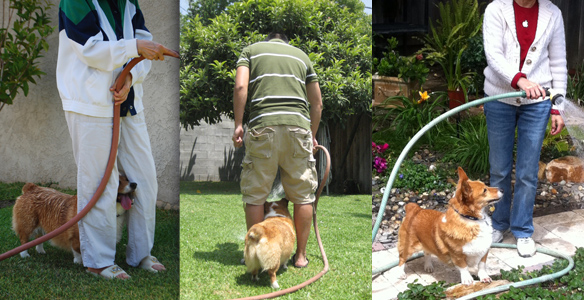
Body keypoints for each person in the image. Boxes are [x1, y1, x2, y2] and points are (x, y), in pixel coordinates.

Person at [57, 0, 170, 279]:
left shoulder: (128, 3)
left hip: (129, 101)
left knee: (144, 178)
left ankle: (140, 253)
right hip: (91, 102)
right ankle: (99, 260)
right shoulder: (75, 1)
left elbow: (144, 47)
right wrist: (134, 49)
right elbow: (89, 49)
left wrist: (131, 76)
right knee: (99, 181)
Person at [483, 0, 567, 257]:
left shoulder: (553, 13)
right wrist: (520, 80)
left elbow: (558, 62)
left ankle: (522, 229)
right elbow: (494, 55)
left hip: (538, 103)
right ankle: (498, 224)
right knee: (499, 169)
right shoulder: (496, 9)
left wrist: (557, 107)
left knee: (528, 172)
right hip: (499, 99)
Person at [232, 32, 323, 268]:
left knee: (255, 195)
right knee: (303, 196)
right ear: (285, 42)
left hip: (263, 127)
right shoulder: (302, 56)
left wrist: (239, 124)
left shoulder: (251, 51)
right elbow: (317, 103)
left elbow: (241, 85)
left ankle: (253, 254)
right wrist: (311, 135)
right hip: (298, 129)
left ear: (268, 40)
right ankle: (300, 256)